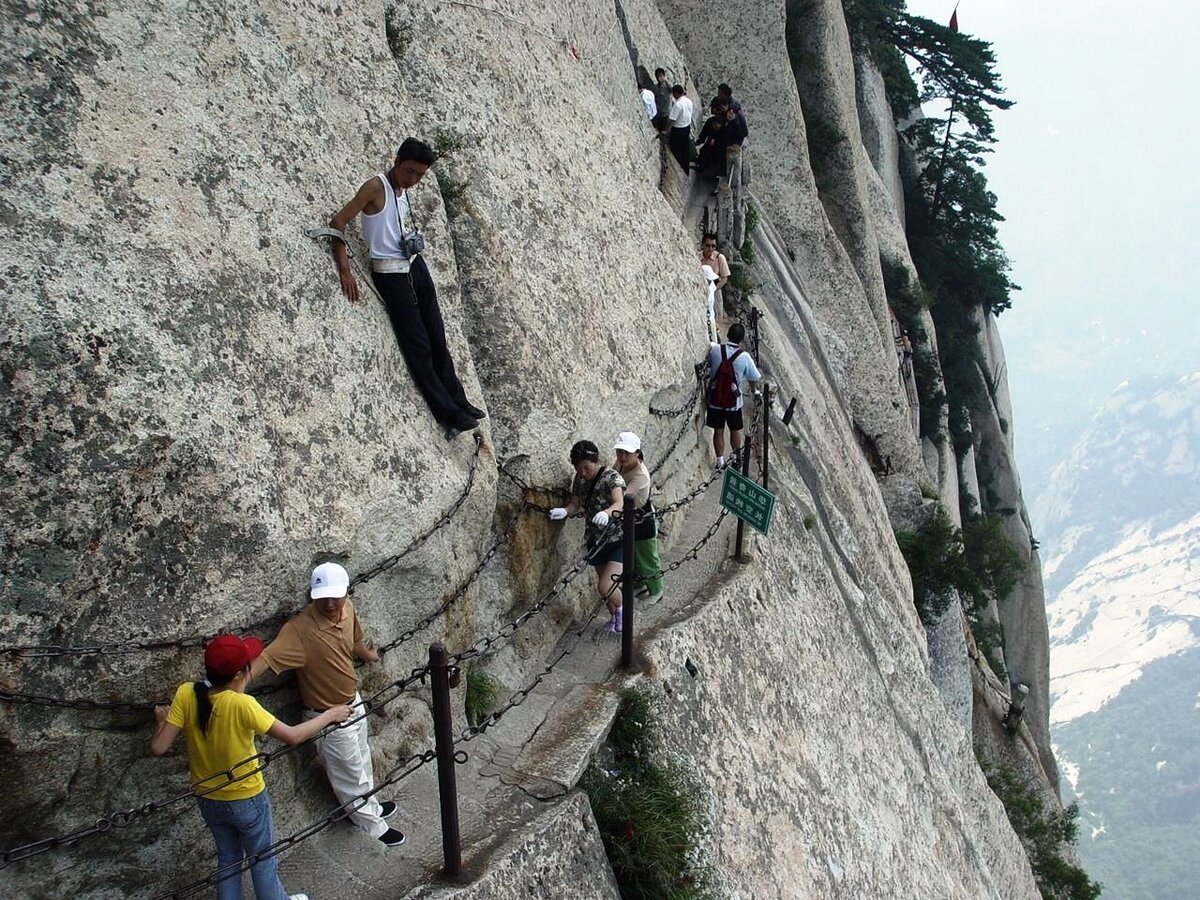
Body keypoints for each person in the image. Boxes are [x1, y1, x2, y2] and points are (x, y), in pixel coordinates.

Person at [151, 634, 352, 900]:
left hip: (207, 797)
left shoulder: (187, 693)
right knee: (263, 861)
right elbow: (292, 736)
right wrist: (329, 715)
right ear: (239, 674)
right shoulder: (242, 704)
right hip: (247, 798)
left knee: (228, 860)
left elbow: (158, 747)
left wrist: (162, 722)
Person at [328, 138, 484, 437]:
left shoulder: (402, 189)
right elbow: (337, 222)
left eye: (420, 176)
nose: (413, 180)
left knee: (437, 335)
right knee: (418, 346)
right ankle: (449, 413)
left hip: (414, 266)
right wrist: (345, 268)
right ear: (398, 161)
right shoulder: (376, 187)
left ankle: (460, 401)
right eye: (410, 171)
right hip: (392, 275)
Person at [249, 563, 406, 848]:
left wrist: (367, 655)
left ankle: (368, 808)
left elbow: (353, 640)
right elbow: (264, 661)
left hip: (352, 701)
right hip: (327, 715)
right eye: (323, 597)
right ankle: (373, 826)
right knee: (350, 775)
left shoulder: (347, 611)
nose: (330, 603)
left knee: (362, 758)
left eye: (336, 596)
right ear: (312, 594)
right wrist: (229, 689)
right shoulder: (298, 630)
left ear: (347, 592)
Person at [548, 440, 627, 632]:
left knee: (605, 584)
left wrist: (606, 513)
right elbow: (576, 503)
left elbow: (619, 502)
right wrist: (565, 511)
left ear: (596, 461)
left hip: (617, 539)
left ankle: (624, 615)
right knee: (607, 588)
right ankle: (615, 619)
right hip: (596, 539)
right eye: (579, 468)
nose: (583, 472)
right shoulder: (580, 479)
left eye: (586, 467)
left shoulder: (611, 478)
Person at [613, 432, 664, 605]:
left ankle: (656, 590)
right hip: (628, 518)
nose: (622, 456)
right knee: (634, 555)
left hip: (641, 519)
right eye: (620, 452)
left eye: (627, 453)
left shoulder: (640, 474)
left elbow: (623, 497)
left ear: (637, 453)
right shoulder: (620, 465)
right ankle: (640, 583)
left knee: (647, 557)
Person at [703, 322, 762, 468]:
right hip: (733, 402)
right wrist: (755, 391)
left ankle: (720, 460)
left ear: (728, 334)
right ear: (741, 339)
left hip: (715, 399)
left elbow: (708, 366)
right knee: (735, 430)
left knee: (718, 430)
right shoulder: (744, 357)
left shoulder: (716, 350)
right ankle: (736, 457)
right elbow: (754, 377)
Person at [666, 84, 694, 172]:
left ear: (676, 93)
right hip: (686, 127)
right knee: (685, 150)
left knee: (676, 151)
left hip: (678, 130)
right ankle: (686, 170)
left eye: (673, 94)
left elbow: (672, 120)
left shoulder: (678, 105)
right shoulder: (689, 101)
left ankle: (677, 170)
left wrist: (666, 131)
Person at [651, 68, 674, 132]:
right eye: (658, 76)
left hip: (666, 113)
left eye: (661, 75)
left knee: (665, 130)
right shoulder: (655, 87)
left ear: (664, 76)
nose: (659, 78)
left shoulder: (667, 86)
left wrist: (665, 81)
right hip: (658, 113)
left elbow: (672, 90)